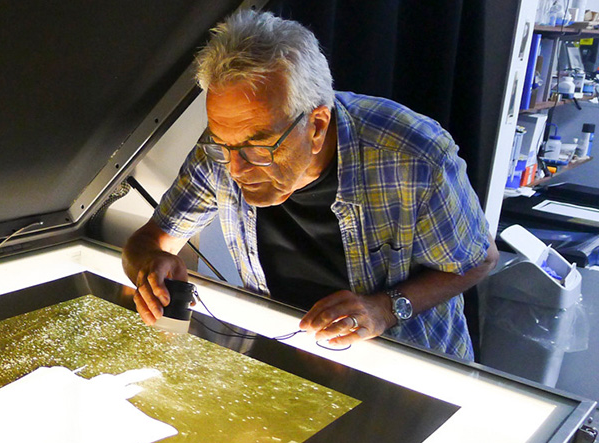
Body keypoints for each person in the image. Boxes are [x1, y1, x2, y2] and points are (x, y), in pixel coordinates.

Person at [121, 9, 498, 360]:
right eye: (223, 144)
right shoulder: (224, 148)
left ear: (316, 126)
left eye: (258, 147)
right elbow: (150, 240)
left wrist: (384, 307)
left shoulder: (413, 156)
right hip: (291, 352)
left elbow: (479, 260)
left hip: (409, 364)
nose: (236, 168)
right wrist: (150, 266)